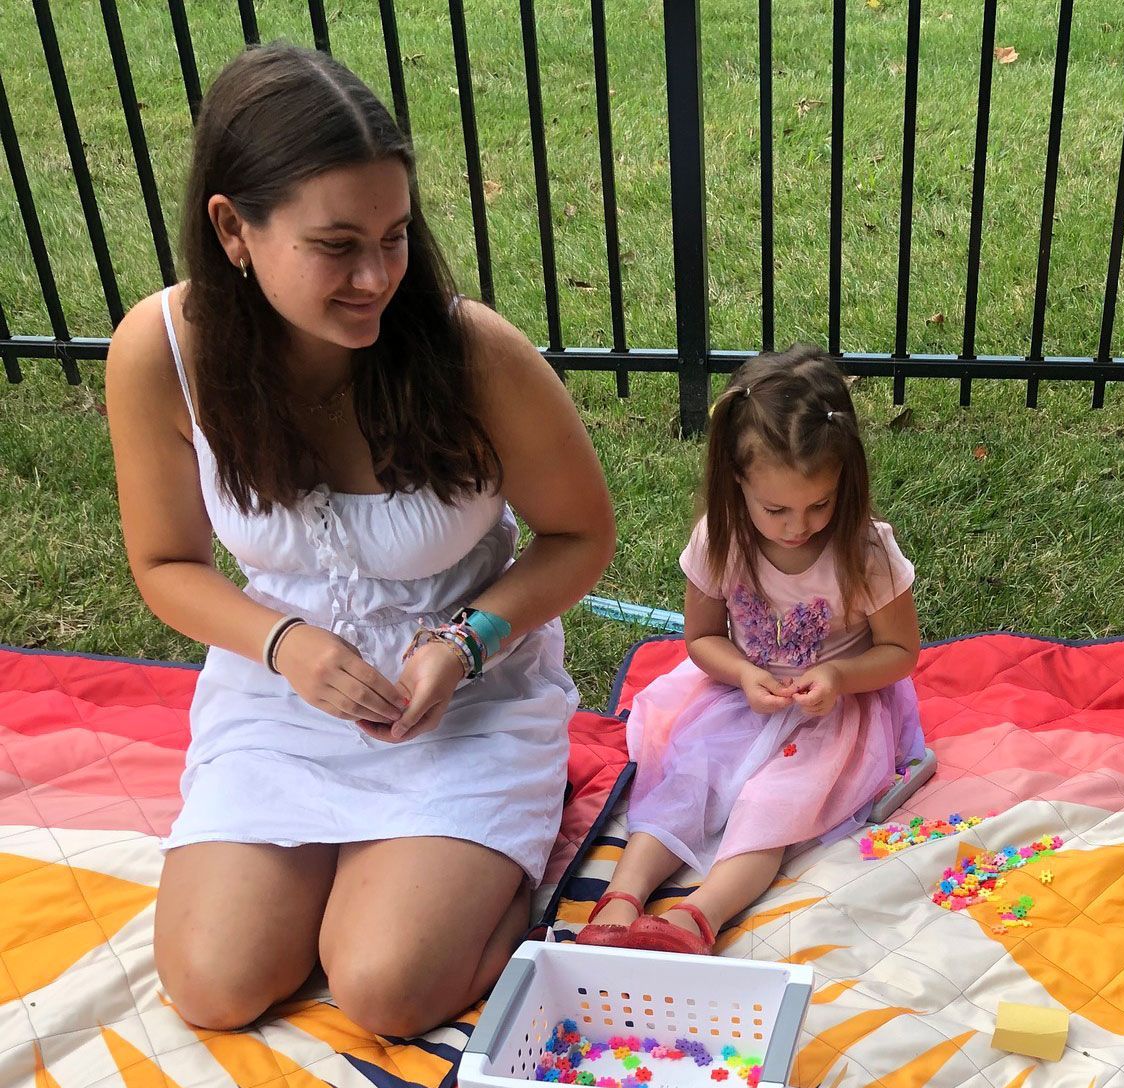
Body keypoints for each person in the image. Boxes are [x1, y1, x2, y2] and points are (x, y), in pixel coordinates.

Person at [104, 44, 614, 1037]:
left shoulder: (473, 355)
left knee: (387, 988)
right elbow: (165, 565)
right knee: (214, 984)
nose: (377, 276)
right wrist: (284, 645)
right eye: (336, 245)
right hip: (281, 696)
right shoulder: (162, 352)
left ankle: (487, 854)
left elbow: (579, 535)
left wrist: (465, 642)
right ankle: (378, 877)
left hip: (466, 699)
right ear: (234, 230)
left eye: (395, 236)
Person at [577, 344, 922, 954]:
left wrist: (838, 676)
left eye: (820, 504)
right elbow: (701, 638)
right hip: (741, 698)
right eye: (776, 509)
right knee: (688, 782)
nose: (798, 525)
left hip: (837, 711)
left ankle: (697, 917)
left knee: (773, 807)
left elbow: (900, 652)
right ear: (736, 481)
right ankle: (621, 899)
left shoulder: (864, 551)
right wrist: (741, 673)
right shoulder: (721, 540)